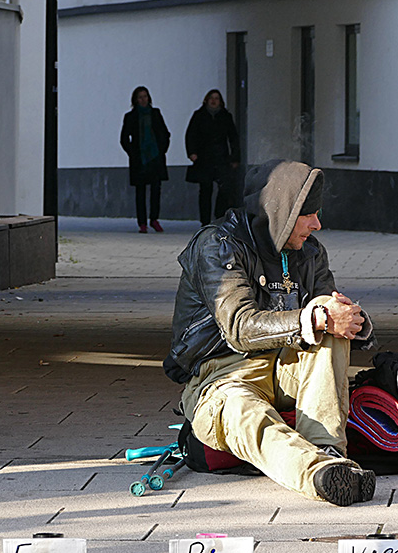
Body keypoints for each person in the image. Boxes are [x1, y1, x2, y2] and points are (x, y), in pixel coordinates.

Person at [163, 160, 376, 505]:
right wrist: (316, 319)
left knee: (329, 319)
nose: (317, 224)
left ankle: (327, 447)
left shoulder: (309, 253)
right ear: (282, 211)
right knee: (245, 415)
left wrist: (351, 320)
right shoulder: (217, 245)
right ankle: (320, 473)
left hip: (285, 371)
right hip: (221, 376)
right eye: (308, 214)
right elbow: (239, 327)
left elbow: (328, 314)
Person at [185, 89, 242, 226]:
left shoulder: (225, 116)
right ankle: (204, 220)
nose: (213, 100)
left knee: (224, 189)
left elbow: (233, 138)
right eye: (211, 98)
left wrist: (234, 157)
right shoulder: (199, 116)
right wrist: (192, 153)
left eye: (216, 98)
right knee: (205, 190)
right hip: (204, 158)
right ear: (206, 100)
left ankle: (219, 216)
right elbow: (190, 135)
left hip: (221, 157)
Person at [120, 86, 171, 233]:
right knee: (140, 192)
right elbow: (124, 138)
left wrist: (162, 149)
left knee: (156, 190)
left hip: (155, 157)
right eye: (140, 97)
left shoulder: (155, 114)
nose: (143, 99)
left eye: (145, 96)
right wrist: (132, 153)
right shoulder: (130, 117)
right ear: (135, 100)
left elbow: (165, 133)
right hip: (139, 159)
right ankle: (142, 222)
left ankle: (154, 219)